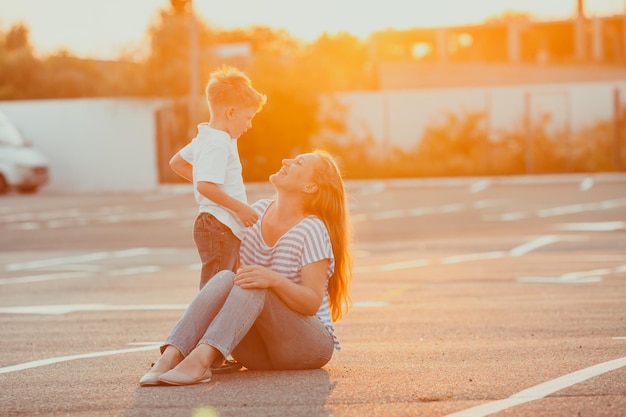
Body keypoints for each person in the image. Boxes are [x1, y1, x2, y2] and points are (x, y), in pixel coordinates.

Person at [139, 150, 352, 386]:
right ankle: (172, 356)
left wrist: (273, 280)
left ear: (310, 187)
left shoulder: (311, 228)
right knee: (226, 278)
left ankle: (200, 362)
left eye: (298, 163)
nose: (285, 160)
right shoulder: (255, 213)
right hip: (257, 354)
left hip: (307, 348)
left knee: (254, 283)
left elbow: (311, 302)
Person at [170, 65, 266, 290]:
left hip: (217, 225)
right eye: (248, 117)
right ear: (231, 113)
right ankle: (205, 326)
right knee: (215, 291)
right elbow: (205, 186)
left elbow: (176, 162)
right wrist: (240, 209)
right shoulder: (218, 143)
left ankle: (218, 324)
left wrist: (206, 177)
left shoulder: (207, 137)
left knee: (223, 287)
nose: (249, 124)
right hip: (220, 225)